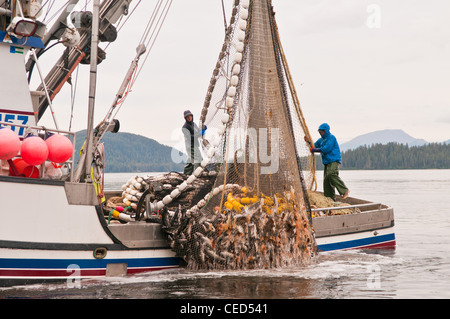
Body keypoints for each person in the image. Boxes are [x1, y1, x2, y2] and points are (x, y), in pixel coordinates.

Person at [306, 123, 349, 201]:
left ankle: (344, 190)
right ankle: (330, 199)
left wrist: (314, 150)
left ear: (325, 131)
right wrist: (309, 142)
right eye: (319, 131)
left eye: (321, 131)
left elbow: (326, 149)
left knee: (331, 174)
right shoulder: (321, 140)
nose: (320, 133)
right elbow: (314, 145)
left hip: (334, 160)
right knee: (327, 181)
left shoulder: (331, 138)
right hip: (326, 162)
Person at [182, 110, 206, 175]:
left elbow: (198, 132)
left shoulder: (194, 124)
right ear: (185, 118)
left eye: (190, 116)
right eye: (187, 117)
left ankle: (186, 174)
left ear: (192, 116)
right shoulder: (184, 127)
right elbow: (191, 137)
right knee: (198, 159)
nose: (189, 118)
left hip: (195, 145)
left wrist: (203, 130)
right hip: (190, 146)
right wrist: (200, 133)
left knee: (190, 160)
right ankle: (198, 174)